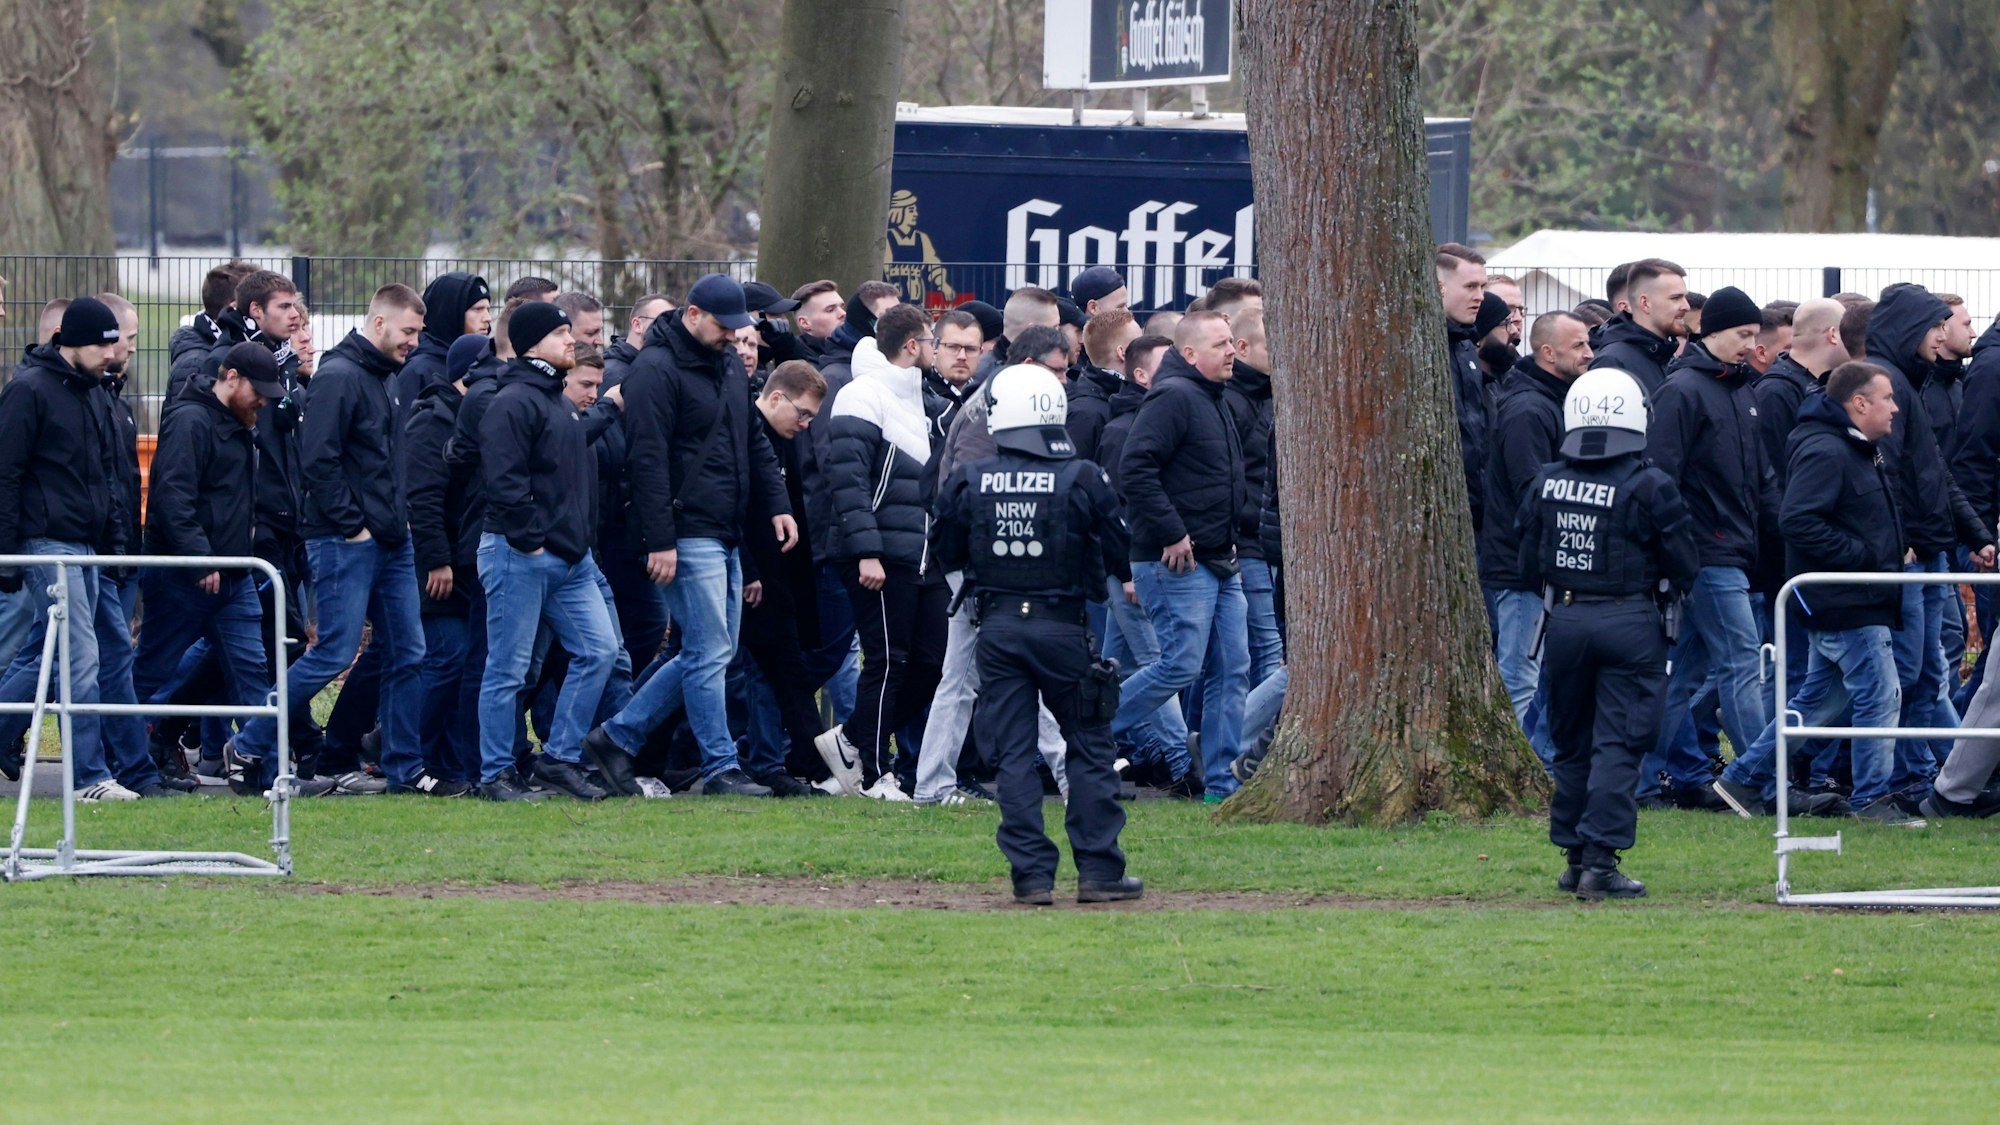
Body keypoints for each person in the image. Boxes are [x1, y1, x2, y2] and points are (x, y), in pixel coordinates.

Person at [931, 363, 1140, 904]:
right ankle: (1099, 872)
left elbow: (946, 550)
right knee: (1089, 746)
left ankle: (1031, 876)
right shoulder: (1084, 478)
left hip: (997, 628)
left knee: (1014, 754)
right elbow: (1121, 550)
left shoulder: (969, 479)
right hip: (1063, 628)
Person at [581, 275, 795, 798]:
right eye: (726, 327)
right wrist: (660, 540)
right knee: (709, 648)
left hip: (722, 527)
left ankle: (617, 736)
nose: (734, 339)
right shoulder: (654, 370)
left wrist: (777, 506)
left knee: (709, 651)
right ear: (694, 315)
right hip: (686, 528)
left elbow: (751, 442)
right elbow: (647, 458)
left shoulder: (722, 365)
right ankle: (720, 765)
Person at [223, 285, 430, 797]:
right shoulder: (339, 377)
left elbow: (386, 462)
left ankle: (405, 769)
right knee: (333, 651)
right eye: (408, 332)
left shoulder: (387, 377)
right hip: (345, 540)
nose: (414, 343)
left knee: (409, 651)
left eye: (418, 334)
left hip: (389, 538)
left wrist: (395, 522)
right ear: (379, 323)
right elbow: (319, 460)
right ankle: (249, 740)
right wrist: (352, 524)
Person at [1517, 367, 1699, 900]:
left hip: (1565, 621)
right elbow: (1683, 561)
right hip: (1631, 621)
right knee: (1618, 744)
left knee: (1571, 742)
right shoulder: (1650, 484)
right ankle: (1601, 861)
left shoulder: (1547, 480)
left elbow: (1528, 559)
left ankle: (1573, 857)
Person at [1712, 362, 1914, 824]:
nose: (1896, 407)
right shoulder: (1827, 450)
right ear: (1859, 404)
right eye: (1887, 399)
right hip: (1845, 601)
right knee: (1880, 695)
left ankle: (1742, 779)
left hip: (1848, 598)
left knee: (1821, 702)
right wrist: (1864, 557)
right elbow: (1798, 521)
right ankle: (1872, 800)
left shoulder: (1852, 447)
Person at [472, 303, 619, 801]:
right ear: (533, 343)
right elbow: (504, 479)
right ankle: (494, 774)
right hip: (522, 554)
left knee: (599, 651)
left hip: (569, 558)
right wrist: (530, 541)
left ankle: (558, 759)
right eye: (560, 333)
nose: (571, 340)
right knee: (508, 669)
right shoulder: (513, 400)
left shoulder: (554, 398)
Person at [134, 342, 289, 797]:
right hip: (186, 574)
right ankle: (119, 758)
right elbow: (172, 496)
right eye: (258, 391)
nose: (263, 401)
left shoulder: (235, 423)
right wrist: (199, 557)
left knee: (251, 671)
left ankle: (272, 772)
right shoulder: (190, 421)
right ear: (231, 377)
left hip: (232, 573)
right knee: (152, 669)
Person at [0, 298, 133, 800]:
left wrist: (114, 544)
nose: (112, 351)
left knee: (46, 651)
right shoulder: (29, 392)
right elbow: (6, 474)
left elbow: (106, 478)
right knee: (80, 656)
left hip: (85, 542)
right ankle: (90, 777)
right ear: (70, 341)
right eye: (103, 342)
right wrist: (8, 553)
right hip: (47, 542)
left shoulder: (95, 393)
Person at [1113, 311, 1251, 796]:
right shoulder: (1174, 397)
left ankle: (1220, 784)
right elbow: (1135, 469)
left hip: (1217, 559)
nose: (1232, 350)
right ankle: (1087, 731)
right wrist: (1173, 533)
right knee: (1180, 666)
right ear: (1189, 354)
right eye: (1220, 344)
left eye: (1232, 342)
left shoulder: (1212, 396)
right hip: (1175, 561)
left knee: (1232, 669)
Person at [1865, 284, 1994, 798]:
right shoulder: (1892, 384)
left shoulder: (1910, 384)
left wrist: (1976, 535)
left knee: (1926, 669)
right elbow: (1889, 475)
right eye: (1936, 325)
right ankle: (1910, 777)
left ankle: (1926, 772)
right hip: (1910, 554)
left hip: (1927, 548)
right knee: (1913, 672)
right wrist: (1903, 540)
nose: (1944, 334)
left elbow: (1935, 472)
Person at [813, 305, 946, 800]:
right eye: (932, 340)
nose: (935, 348)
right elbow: (846, 483)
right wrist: (866, 550)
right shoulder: (861, 395)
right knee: (888, 659)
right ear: (912, 346)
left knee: (931, 662)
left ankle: (851, 739)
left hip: (921, 555)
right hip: (878, 556)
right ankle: (869, 772)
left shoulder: (922, 400)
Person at [1477, 311, 1595, 768]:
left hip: (1543, 562)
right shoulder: (1530, 409)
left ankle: (1534, 761)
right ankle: (1499, 767)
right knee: (1520, 672)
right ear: (1548, 352)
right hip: (1522, 565)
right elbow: (1534, 491)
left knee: (1550, 673)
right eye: (1579, 345)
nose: (1589, 353)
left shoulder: (1552, 401)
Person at [402, 333, 494, 796]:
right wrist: (438, 560)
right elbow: (424, 498)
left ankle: (447, 758)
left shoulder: (470, 416)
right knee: (447, 658)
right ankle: (406, 755)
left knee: (460, 662)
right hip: (440, 567)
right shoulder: (432, 422)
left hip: (465, 563)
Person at [737, 360, 830, 797]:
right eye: (802, 414)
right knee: (763, 669)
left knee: (771, 670)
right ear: (776, 398)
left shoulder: (782, 438)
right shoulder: (749, 435)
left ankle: (777, 759)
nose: (806, 424)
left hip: (780, 574)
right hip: (756, 573)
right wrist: (749, 570)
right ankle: (782, 760)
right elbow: (739, 508)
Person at [1437, 243, 1491, 531]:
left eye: (1482, 286)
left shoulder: (1466, 346)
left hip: (1475, 509)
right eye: (1470, 286)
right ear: (1439, 286)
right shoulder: (1423, 346)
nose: (1480, 296)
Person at [1589, 258, 1688, 396]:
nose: (1686, 306)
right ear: (1645, 303)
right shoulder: (1612, 362)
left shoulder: (1665, 355)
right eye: (1675, 298)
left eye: (1685, 297)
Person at [396, 271, 491, 409]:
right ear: (450, 312)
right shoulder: (417, 370)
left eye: (488, 309)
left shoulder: (484, 362)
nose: (487, 317)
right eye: (478, 309)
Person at [1068, 309, 1137, 462]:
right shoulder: (1084, 414)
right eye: (1139, 343)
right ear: (1122, 352)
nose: (1146, 350)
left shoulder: (1121, 396)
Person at [604, 294, 671, 389]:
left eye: (673, 322)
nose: (669, 329)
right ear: (637, 325)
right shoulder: (613, 374)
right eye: (663, 321)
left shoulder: (657, 368)